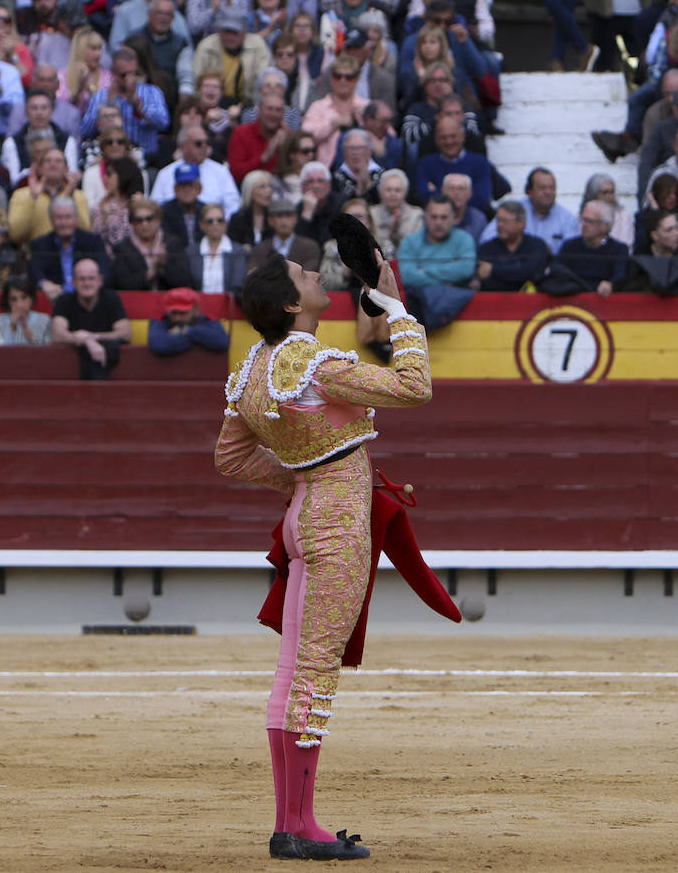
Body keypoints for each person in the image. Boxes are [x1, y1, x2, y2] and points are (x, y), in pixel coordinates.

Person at [215, 246, 429, 863]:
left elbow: (230, 457)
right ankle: (300, 825)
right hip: (335, 528)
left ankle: (293, 823)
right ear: (290, 303)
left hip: (304, 518)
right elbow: (414, 386)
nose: (315, 275)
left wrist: (304, 479)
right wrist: (397, 313)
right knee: (313, 672)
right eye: (304, 276)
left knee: (293, 671)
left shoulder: (253, 367)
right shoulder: (314, 363)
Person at [51, 258, 132, 380]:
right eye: (82, 279)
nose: (87, 283)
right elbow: (57, 335)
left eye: (91, 278)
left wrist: (91, 337)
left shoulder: (111, 298)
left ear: (100, 280)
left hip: (110, 365)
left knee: (110, 346)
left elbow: (126, 334)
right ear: (73, 282)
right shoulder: (64, 300)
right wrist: (88, 343)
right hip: (70, 370)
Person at [30, 196, 112, 300]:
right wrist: (43, 283)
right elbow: (35, 272)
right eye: (59, 218)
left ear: (76, 218)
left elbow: (105, 271)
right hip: (55, 301)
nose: (64, 222)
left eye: (68, 217)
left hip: (88, 299)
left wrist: (92, 285)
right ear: (51, 220)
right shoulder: (40, 244)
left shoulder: (93, 241)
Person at [166, 203, 249, 294]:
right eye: (210, 221)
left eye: (220, 220)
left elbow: (237, 285)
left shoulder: (237, 251)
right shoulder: (190, 251)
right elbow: (187, 285)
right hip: (197, 306)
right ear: (202, 225)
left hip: (229, 305)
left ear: (225, 224)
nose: (215, 224)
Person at [398, 193, 476, 291]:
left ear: (454, 218)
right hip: (418, 301)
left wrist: (424, 271)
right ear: (425, 217)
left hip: (457, 302)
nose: (438, 222)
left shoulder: (465, 240)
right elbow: (407, 277)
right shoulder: (409, 242)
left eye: (444, 217)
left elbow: (466, 270)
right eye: (434, 217)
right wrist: (446, 283)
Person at [474, 200, 549, 292]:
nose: (499, 225)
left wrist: (493, 269)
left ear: (521, 223)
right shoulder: (487, 248)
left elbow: (532, 273)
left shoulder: (536, 245)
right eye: (498, 220)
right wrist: (518, 273)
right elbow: (486, 281)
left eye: (505, 221)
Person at [149, 286, 230, 355]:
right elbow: (160, 346)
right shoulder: (160, 321)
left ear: (196, 310)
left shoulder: (206, 320)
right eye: (174, 312)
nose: (177, 318)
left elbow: (222, 342)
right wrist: (200, 339)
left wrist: (186, 330)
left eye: (183, 313)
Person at [249, 197, 321, 271]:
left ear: (295, 219)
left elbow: (308, 274)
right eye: (279, 216)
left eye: (288, 215)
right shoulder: (260, 248)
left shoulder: (310, 247)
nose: (284, 221)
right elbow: (253, 274)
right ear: (270, 220)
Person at [0, 275, 52, 345]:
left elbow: (49, 353)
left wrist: (31, 338)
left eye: (24, 297)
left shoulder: (45, 320)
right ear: (7, 301)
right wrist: (12, 328)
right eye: (13, 299)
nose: (19, 304)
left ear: (32, 298)